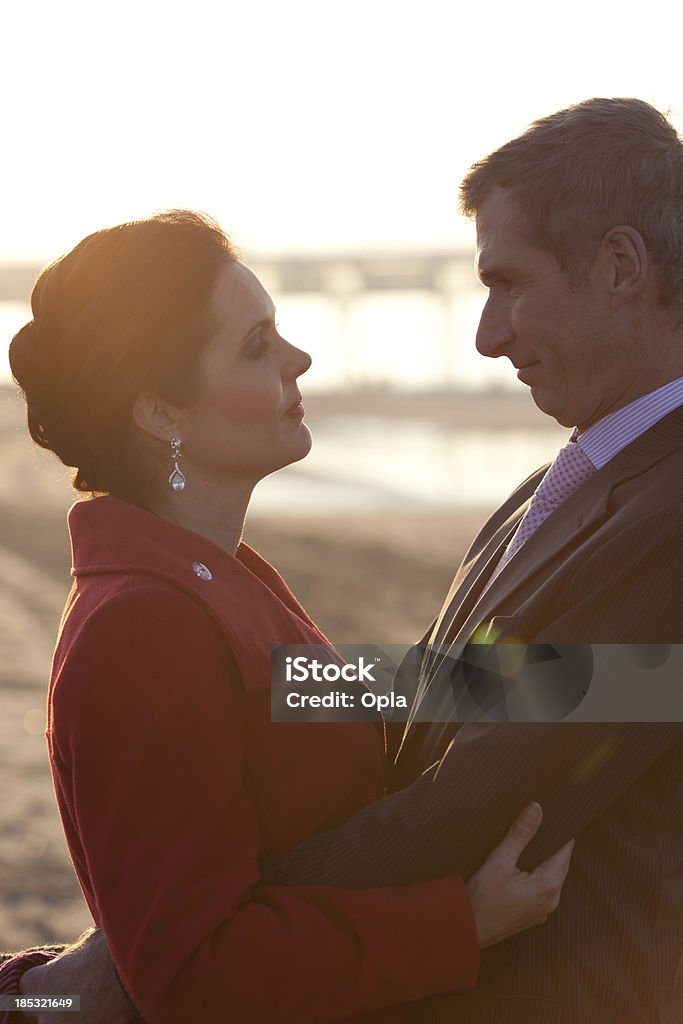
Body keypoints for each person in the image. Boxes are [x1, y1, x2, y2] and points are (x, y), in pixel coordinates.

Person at [8, 94, 683, 1020]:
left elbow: (486, 713)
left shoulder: (225, 582)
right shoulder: (154, 612)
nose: (302, 361)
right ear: (158, 410)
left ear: (621, 266)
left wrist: (128, 954)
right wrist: (148, 944)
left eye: (508, 285)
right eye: (255, 346)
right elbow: (503, 695)